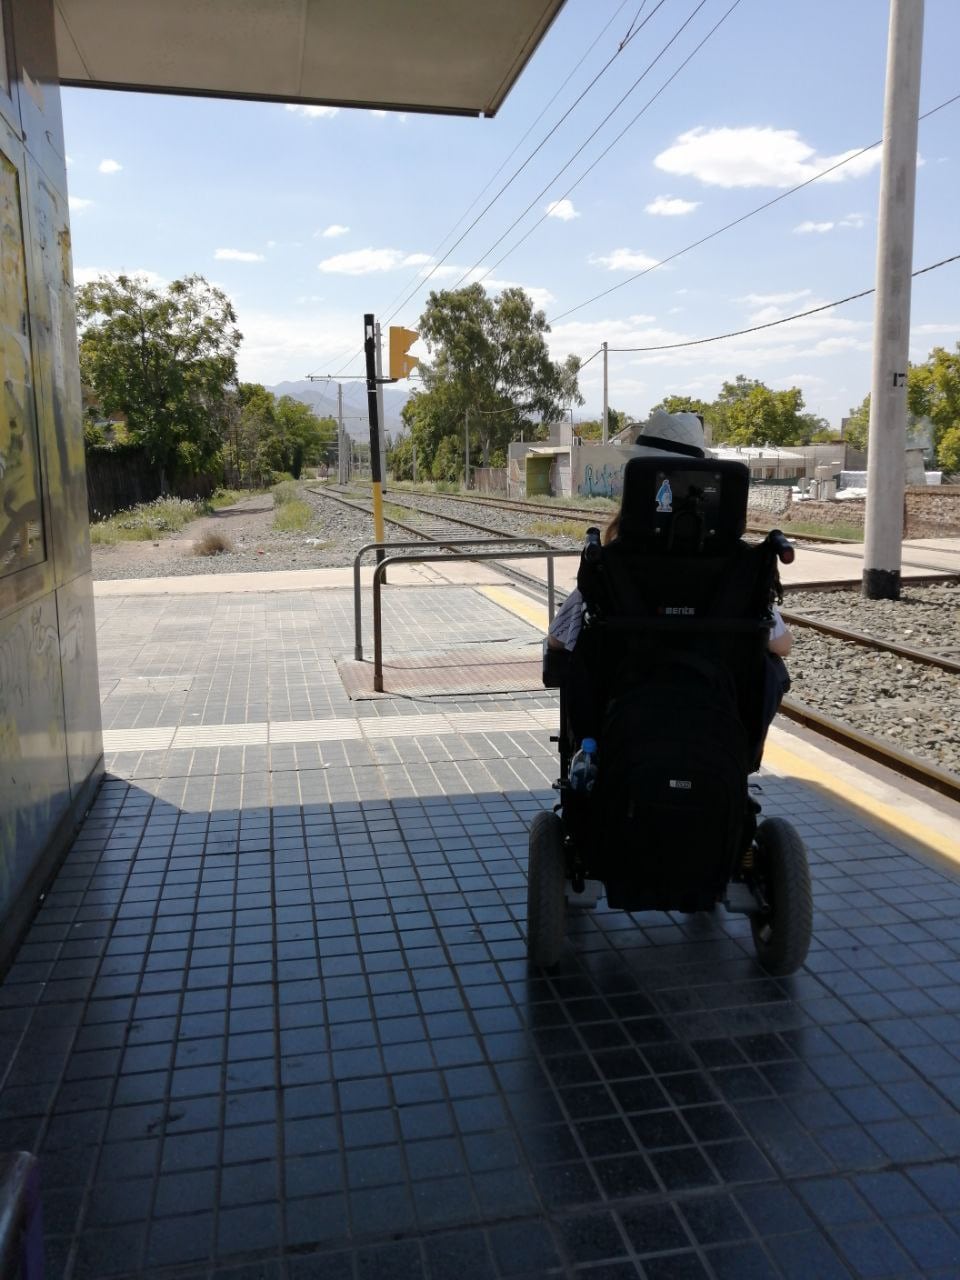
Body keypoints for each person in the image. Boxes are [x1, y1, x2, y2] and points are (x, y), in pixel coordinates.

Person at [546, 407, 793, 757]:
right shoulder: (738, 567)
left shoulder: (613, 563)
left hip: (624, 743)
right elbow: (781, 644)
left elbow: (558, 639)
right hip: (712, 741)